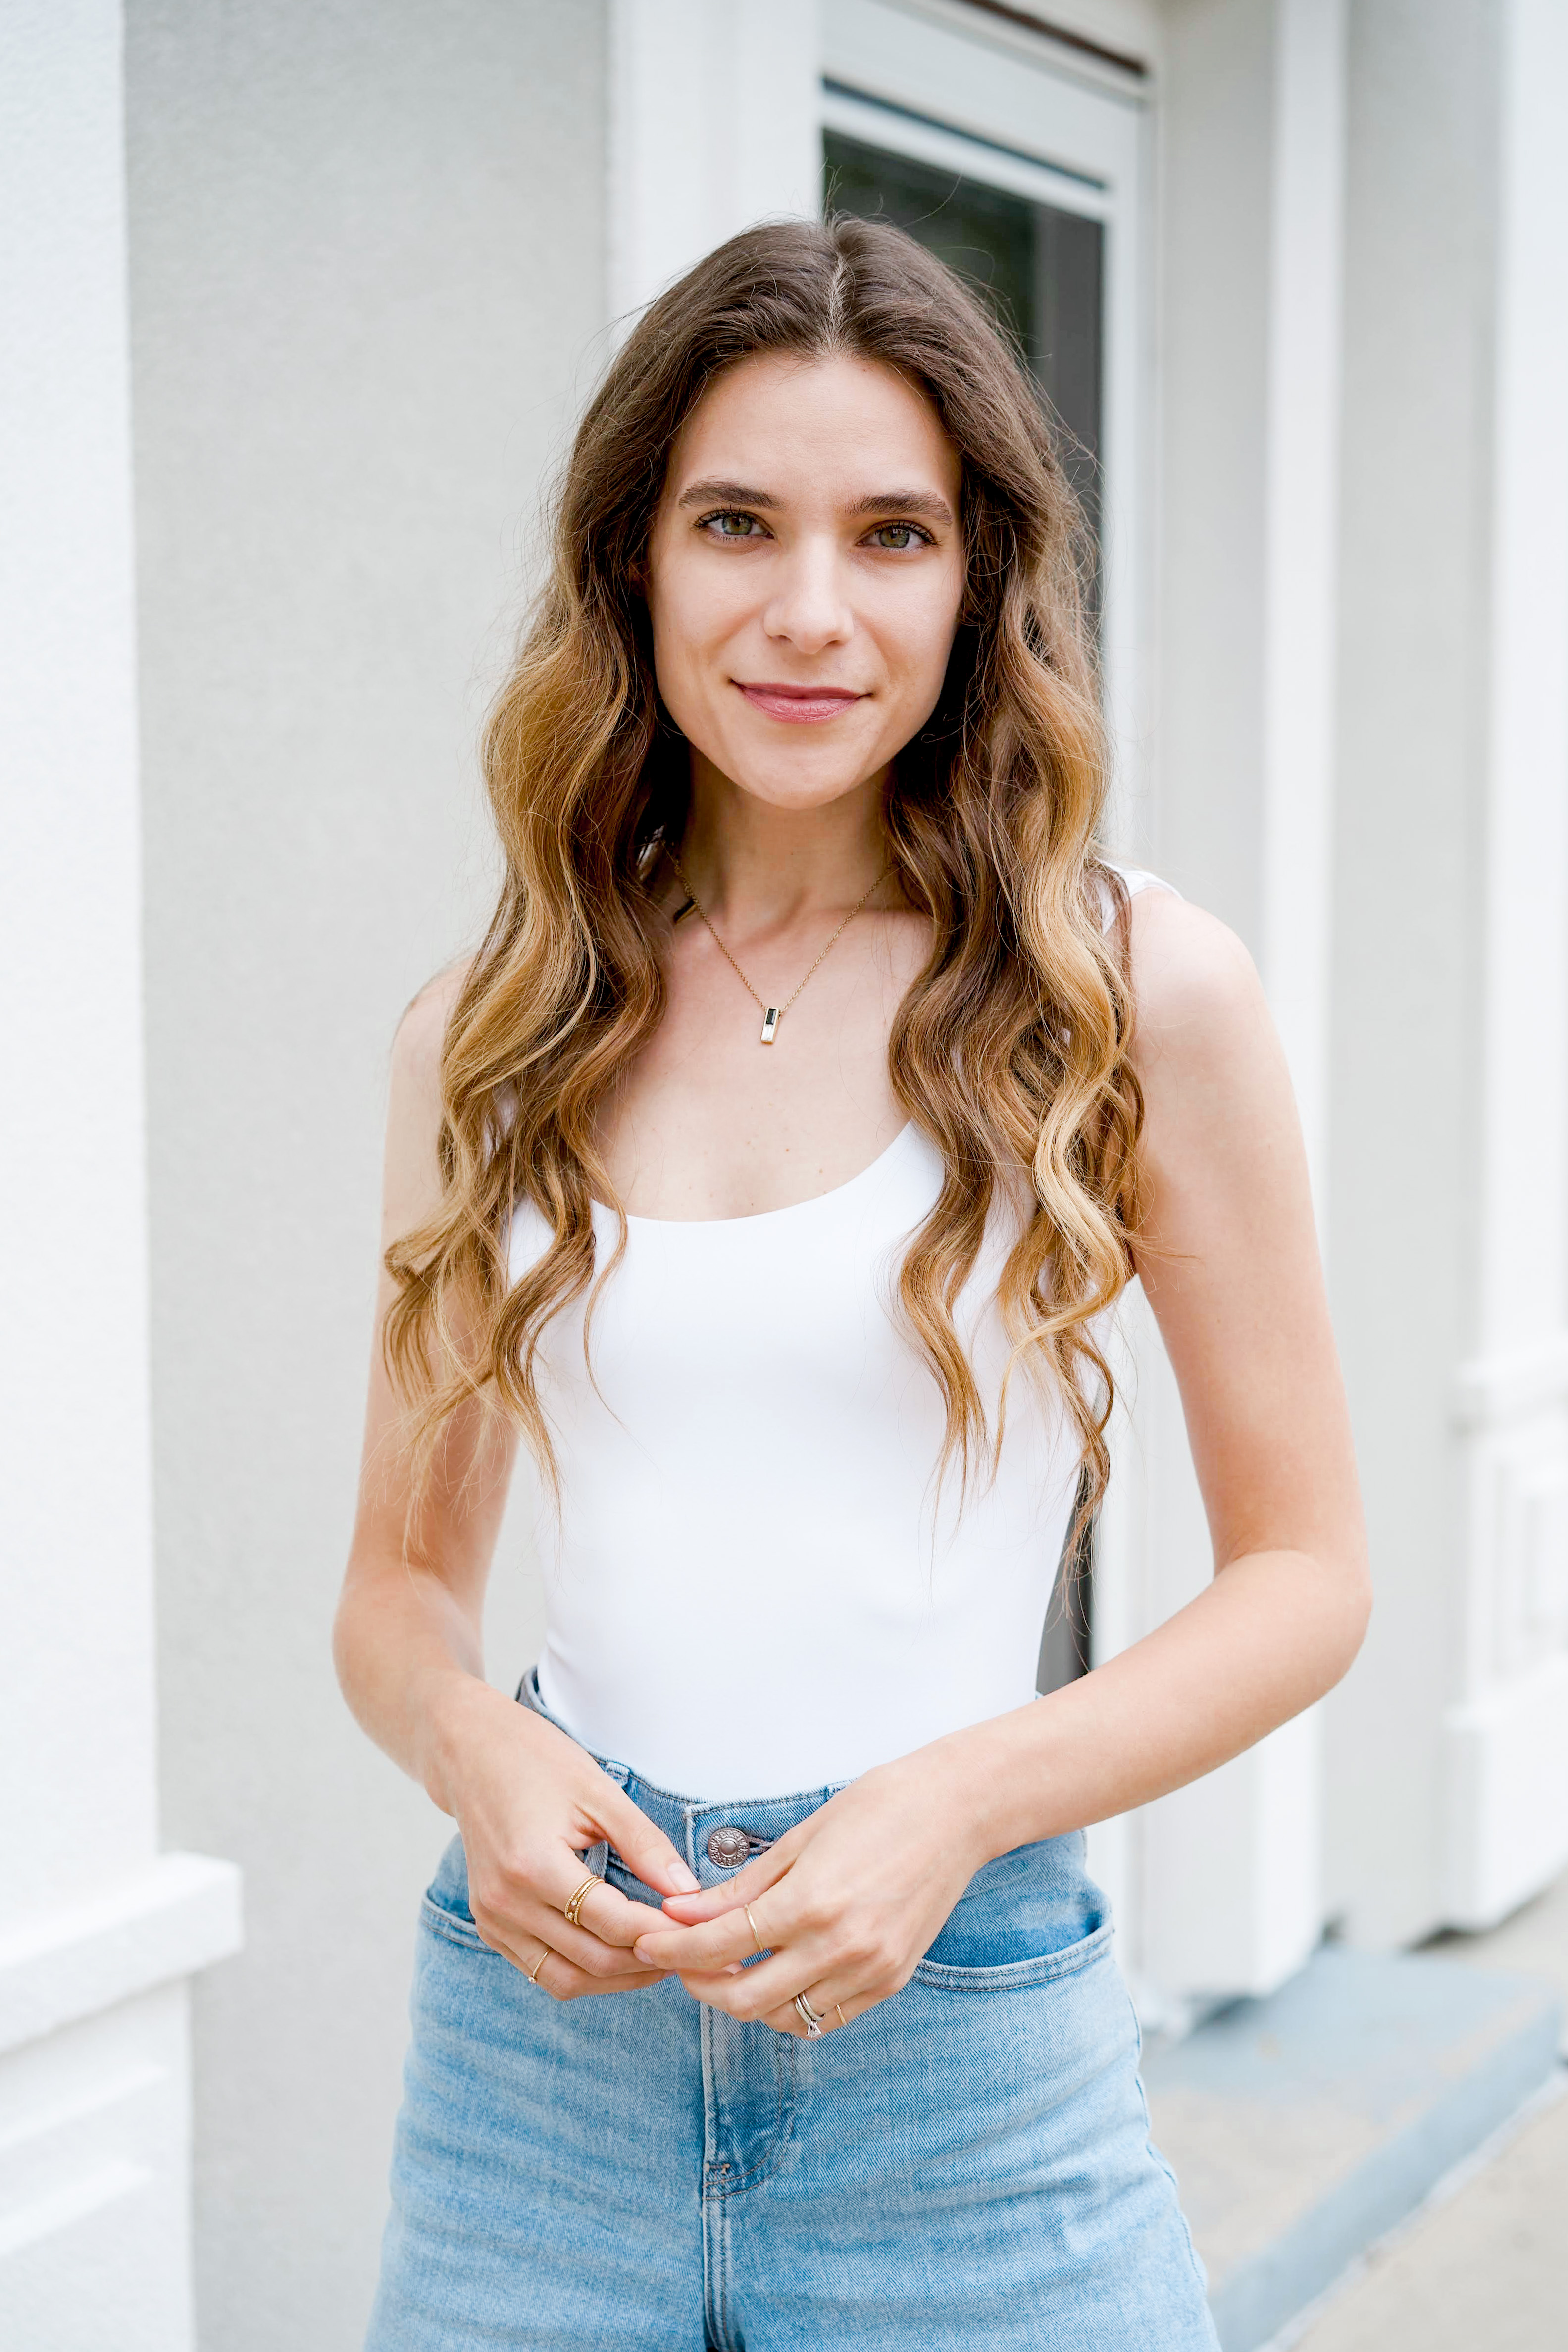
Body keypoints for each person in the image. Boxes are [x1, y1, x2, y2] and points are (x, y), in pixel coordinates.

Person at [338, 217, 1370, 2352]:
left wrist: (955, 1803)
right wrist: (466, 1745)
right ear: (637, 558)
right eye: (739, 523)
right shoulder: (497, 1021)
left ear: (978, 580)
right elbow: (392, 1595)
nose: (812, 611)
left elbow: (1310, 1577)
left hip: (962, 2048)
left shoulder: (1125, 988)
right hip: (543, 2070)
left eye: (892, 534)